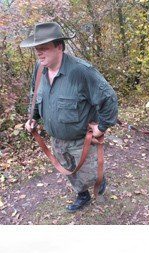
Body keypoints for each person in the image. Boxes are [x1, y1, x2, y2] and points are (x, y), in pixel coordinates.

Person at [21, 22, 118, 212]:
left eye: (44, 48)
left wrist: (103, 126)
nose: (39, 54)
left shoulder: (81, 71)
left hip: (82, 140)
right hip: (56, 139)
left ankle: (99, 181)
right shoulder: (39, 68)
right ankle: (83, 196)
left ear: (59, 47)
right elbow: (35, 94)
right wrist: (32, 117)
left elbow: (109, 98)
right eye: (36, 49)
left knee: (90, 174)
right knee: (69, 172)